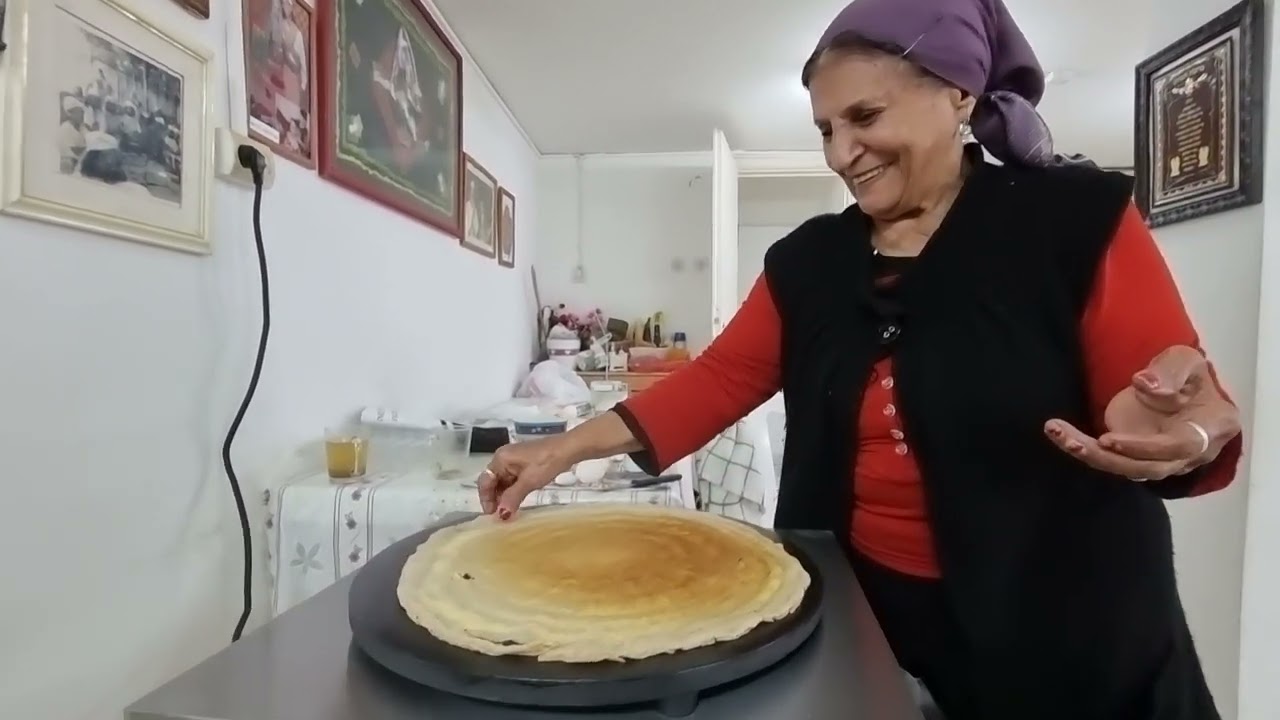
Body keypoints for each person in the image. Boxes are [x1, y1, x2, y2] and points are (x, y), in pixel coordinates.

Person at [477, 0, 1242, 718]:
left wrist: (1190, 433)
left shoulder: (1078, 220)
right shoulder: (808, 261)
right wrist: (562, 451)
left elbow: (1173, 397)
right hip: (867, 622)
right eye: (825, 129)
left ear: (959, 95)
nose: (842, 153)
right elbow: (719, 379)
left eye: (865, 117)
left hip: (1068, 635)